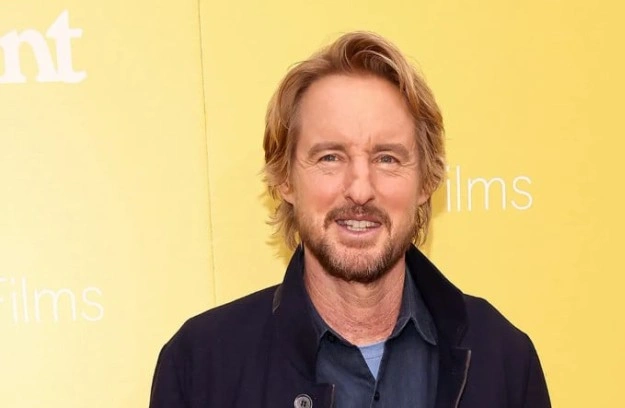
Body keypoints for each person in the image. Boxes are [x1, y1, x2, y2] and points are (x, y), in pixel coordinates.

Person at [149, 31, 551, 408]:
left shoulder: (503, 359)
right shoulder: (201, 367)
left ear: (426, 181)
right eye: (330, 157)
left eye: (387, 158)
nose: (360, 190)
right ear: (285, 179)